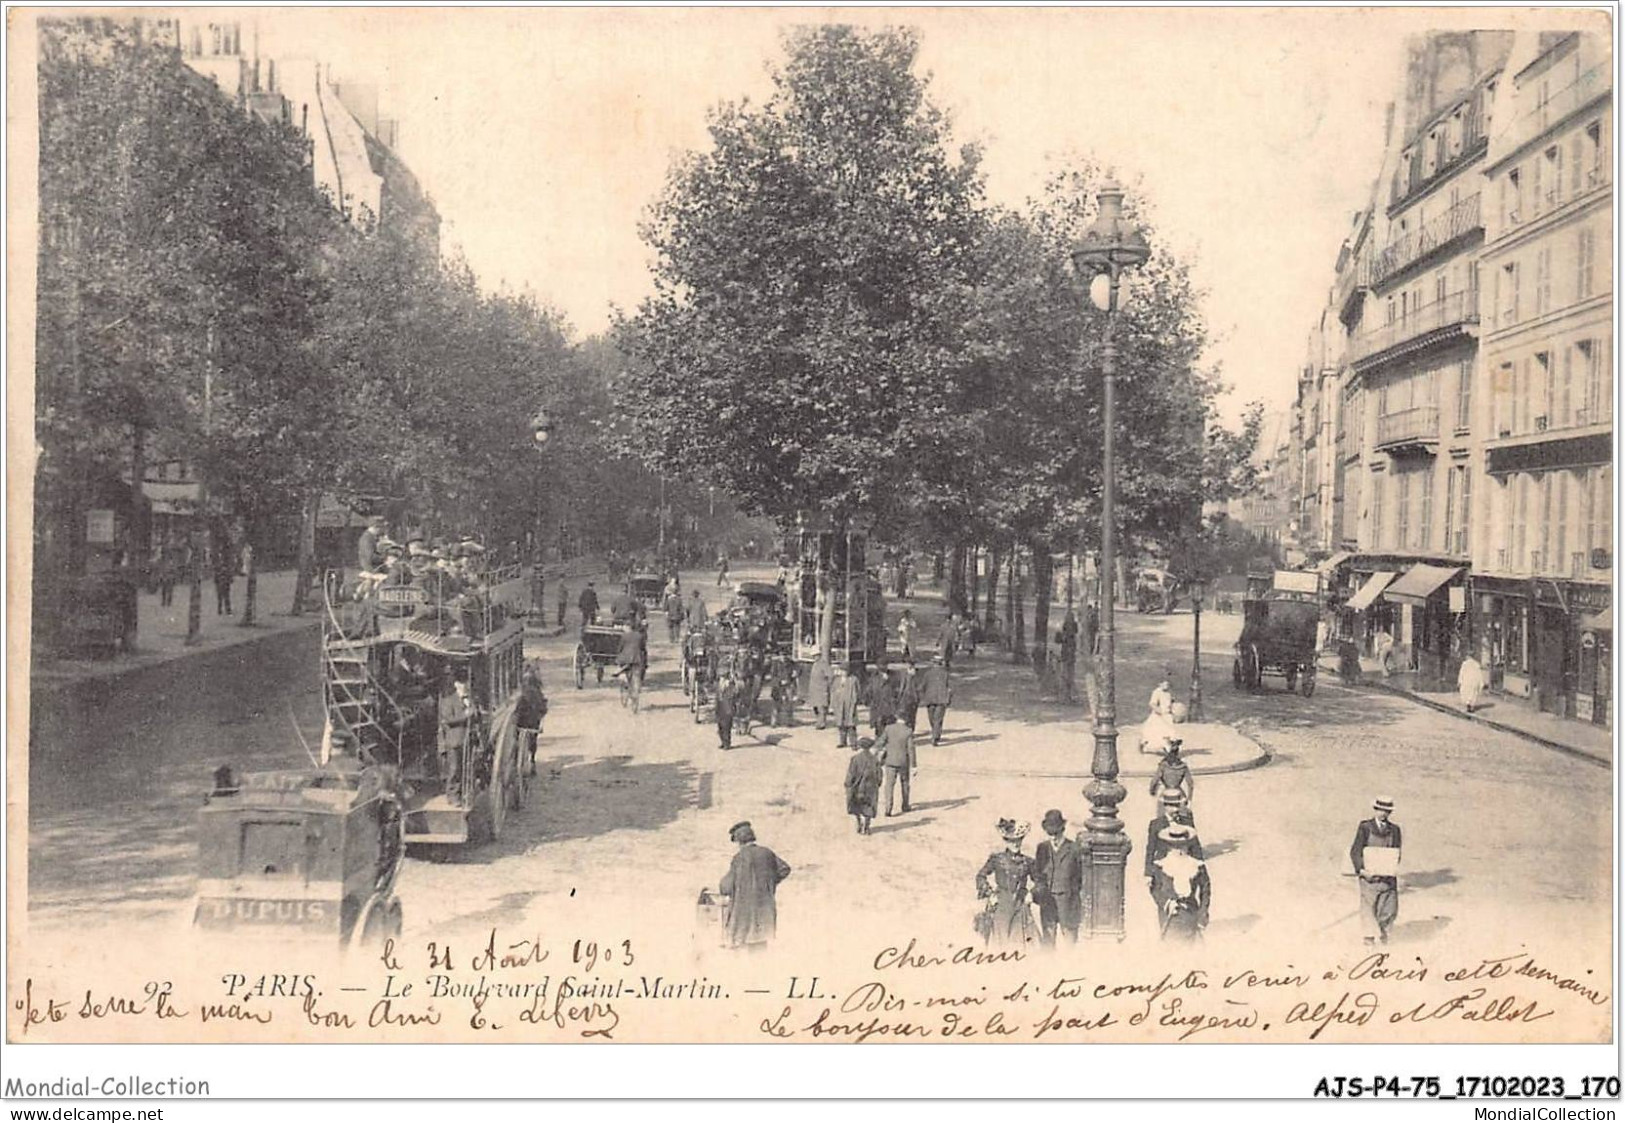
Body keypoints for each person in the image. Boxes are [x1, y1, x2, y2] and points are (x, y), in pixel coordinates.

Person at [719, 821, 790, 950]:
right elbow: (785, 869)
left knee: (742, 947)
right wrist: (770, 883)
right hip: (765, 908)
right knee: (760, 945)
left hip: (744, 912)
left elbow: (726, 887)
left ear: (740, 840)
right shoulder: (767, 853)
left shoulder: (739, 858)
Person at [974, 820, 1040, 949]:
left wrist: (1032, 893)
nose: (1015, 844)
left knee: (1021, 943)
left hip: (1020, 905)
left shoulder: (1028, 862)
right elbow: (980, 876)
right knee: (1000, 942)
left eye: (1018, 840)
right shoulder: (997, 859)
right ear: (1006, 841)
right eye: (1011, 840)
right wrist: (990, 894)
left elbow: (1041, 881)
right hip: (1002, 904)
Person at [1350, 797, 1402, 946]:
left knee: (1389, 909)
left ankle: (1385, 938)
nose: (1383, 814)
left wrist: (1391, 869)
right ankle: (1369, 940)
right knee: (1368, 909)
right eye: (1381, 810)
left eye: (1387, 811)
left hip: (1387, 877)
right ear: (1375, 810)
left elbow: (1397, 853)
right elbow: (1356, 851)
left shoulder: (1395, 830)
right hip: (1369, 877)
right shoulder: (1365, 827)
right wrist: (1361, 870)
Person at [1149, 824, 1210, 941]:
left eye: (1182, 846)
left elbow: (1205, 890)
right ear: (1168, 847)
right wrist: (1166, 903)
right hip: (1169, 914)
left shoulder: (1196, 865)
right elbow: (1154, 889)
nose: (1179, 850)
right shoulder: (1161, 866)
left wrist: (1203, 914)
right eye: (1174, 846)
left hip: (1190, 912)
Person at [1033, 809, 1082, 945]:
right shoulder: (1042, 848)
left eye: (1056, 833)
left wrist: (1073, 894)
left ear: (1063, 830)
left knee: (1070, 942)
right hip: (1048, 901)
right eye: (1050, 833)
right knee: (1048, 942)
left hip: (1069, 902)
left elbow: (1080, 877)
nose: (1053, 837)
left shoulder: (1074, 849)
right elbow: (1038, 874)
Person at [1145, 789, 1203, 881]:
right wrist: (1148, 873)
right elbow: (1150, 849)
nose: (1175, 809)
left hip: (1184, 862)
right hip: (1165, 864)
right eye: (1171, 806)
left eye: (1177, 805)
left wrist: (1200, 863)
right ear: (1165, 806)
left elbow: (1195, 845)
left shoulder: (1187, 821)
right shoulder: (1156, 824)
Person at [874, 712, 915, 816]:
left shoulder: (888, 728)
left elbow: (880, 742)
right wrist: (914, 765)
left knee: (889, 785)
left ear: (897, 718)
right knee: (905, 783)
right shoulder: (908, 731)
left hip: (890, 761)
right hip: (903, 762)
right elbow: (911, 749)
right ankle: (905, 805)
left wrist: (876, 749)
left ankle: (888, 808)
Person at [844, 736, 882, 835]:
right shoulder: (874, 759)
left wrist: (848, 784)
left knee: (857, 805)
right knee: (869, 806)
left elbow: (851, 773)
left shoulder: (855, 759)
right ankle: (867, 826)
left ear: (860, 746)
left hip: (858, 786)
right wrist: (878, 783)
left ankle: (858, 822)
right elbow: (879, 773)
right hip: (870, 786)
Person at [514, 666, 548, 777]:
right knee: (533, 740)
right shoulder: (537, 693)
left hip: (520, 720)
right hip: (533, 720)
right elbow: (543, 709)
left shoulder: (521, 693)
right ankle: (532, 761)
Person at [1139, 671, 1178, 755]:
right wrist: (1158, 710)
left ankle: (1168, 748)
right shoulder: (1157, 692)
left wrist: (1172, 706)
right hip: (1158, 716)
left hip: (1167, 716)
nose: (1167, 686)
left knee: (1169, 732)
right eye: (1165, 684)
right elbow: (1152, 704)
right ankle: (1143, 743)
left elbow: (1169, 703)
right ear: (1159, 684)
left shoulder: (1168, 693)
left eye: (1168, 685)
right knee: (1153, 732)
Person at [1149, 738, 1194, 804]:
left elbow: (1154, 780)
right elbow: (1190, 784)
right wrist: (1189, 799)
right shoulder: (1183, 766)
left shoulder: (1163, 765)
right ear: (1177, 753)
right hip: (1178, 791)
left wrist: (1152, 791)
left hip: (1166, 791)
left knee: (1160, 810)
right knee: (1186, 811)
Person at [920, 654, 953, 746]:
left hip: (931, 699)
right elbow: (950, 688)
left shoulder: (930, 674)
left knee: (934, 719)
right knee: (937, 719)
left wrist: (923, 697)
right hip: (940, 700)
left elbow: (922, 687)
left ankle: (935, 737)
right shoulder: (942, 674)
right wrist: (949, 698)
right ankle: (936, 734)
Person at [616, 624, 646, 710]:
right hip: (637, 659)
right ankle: (635, 699)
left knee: (624, 675)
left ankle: (625, 688)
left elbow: (620, 648)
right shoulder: (639, 636)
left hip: (625, 660)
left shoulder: (624, 636)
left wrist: (618, 655)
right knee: (636, 677)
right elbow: (642, 648)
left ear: (627, 627)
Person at [831, 662, 861, 748]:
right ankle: (842, 741)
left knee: (851, 725)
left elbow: (858, 691)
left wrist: (855, 701)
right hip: (839, 705)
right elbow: (833, 692)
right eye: (842, 670)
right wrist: (832, 705)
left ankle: (853, 743)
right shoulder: (836, 680)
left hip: (850, 704)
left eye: (845, 670)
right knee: (841, 724)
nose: (843, 672)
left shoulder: (853, 679)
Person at [866, 662, 896, 734]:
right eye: (881, 665)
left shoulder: (893, 676)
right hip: (877, 705)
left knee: (889, 724)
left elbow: (897, 689)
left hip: (889, 705)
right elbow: (868, 691)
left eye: (884, 665)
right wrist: (869, 702)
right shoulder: (874, 677)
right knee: (878, 725)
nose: (883, 667)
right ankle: (879, 740)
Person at [1057, 609, 1079, 703]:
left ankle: (1066, 696)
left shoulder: (1070, 634)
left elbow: (1057, 640)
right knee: (1067, 676)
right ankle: (1067, 696)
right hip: (1068, 656)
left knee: (1066, 676)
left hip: (1067, 656)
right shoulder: (1070, 634)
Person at [212, 530, 236, 616]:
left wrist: (229, 573)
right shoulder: (215, 552)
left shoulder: (227, 553)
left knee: (226, 593)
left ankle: (227, 609)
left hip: (225, 574)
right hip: (219, 574)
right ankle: (220, 609)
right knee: (219, 593)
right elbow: (214, 563)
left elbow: (229, 563)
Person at [807, 652, 833, 730]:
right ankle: (818, 721)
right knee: (815, 707)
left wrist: (827, 685)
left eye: (816, 656)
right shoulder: (814, 665)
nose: (815, 657)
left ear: (819, 655)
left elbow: (830, 675)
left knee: (821, 707)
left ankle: (822, 723)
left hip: (821, 689)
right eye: (813, 656)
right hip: (814, 689)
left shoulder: (824, 664)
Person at [715, 668, 740, 751]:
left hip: (727, 708)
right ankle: (723, 742)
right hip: (720, 707)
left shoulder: (730, 685)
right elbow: (718, 696)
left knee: (726, 727)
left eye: (723, 676)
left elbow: (734, 694)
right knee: (720, 727)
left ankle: (727, 743)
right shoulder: (719, 684)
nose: (721, 678)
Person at [895, 660, 921, 735]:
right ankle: (906, 729)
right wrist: (899, 696)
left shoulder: (917, 674)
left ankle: (911, 730)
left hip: (914, 697)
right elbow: (902, 685)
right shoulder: (904, 673)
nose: (910, 666)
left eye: (912, 665)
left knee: (912, 715)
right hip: (905, 697)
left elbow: (919, 686)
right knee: (904, 714)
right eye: (909, 664)